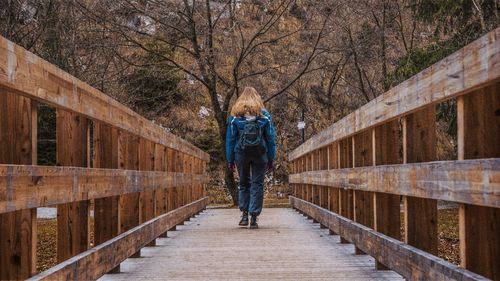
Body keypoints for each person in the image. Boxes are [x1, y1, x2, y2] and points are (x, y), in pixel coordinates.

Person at [226, 87, 276, 229]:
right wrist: (271, 158)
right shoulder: (264, 115)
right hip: (260, 153)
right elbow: (270, 138)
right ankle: (254, 218)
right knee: (257, 183)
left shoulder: (235, 116)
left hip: (240, 153)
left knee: (243, 183)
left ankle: (244, 216)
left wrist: (230, 159)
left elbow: (230, 139)